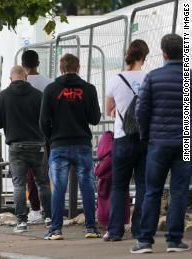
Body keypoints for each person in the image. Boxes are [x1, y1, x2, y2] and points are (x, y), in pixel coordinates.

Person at [131, 34, 191, 254]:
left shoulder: (153, 77)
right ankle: (174, 240)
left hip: (158, 142)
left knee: (152, 191)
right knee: (179, 191)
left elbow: (141, 111)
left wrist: (146, 136)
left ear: (164, 53)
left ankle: (145, 240)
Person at [40, 54, 101, 240]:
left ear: (61, 68)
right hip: (82, 143)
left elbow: (43, 121)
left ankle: (56, 229)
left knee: (58, 187)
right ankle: (91, 228)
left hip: (59, 144)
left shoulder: (51, 89)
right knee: (87, 186)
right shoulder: (89, 89)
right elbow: (95, 119)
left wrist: (51, 138)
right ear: (78, 67)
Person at [0, 65, 52, 233]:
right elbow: (46, 120)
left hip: (16, 146)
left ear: (11, 78)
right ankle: (48, 218)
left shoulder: (3, 96)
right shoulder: (38, 95)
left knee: (19, 185)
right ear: (25, 77)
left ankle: (21, 222)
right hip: (37, 145)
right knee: (43, 182)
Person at [104, 40, 149, 241]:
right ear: (144, 57)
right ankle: (139, 230)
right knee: (143, 186)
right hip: (145, 139)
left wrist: (118, 110)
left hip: (122, 138)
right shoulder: (150, 78)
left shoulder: (115, 79)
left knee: (119, 186)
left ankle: (115, 231)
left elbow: (109, 109)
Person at [22, 50, 54, 225]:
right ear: (38, 63)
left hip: (25, 134)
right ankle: (48, 210)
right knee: (44, 174)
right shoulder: (48, 83)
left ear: (23, 64)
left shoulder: (20, 82)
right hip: (44, 134)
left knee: (28, 175)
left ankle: (34, 209)